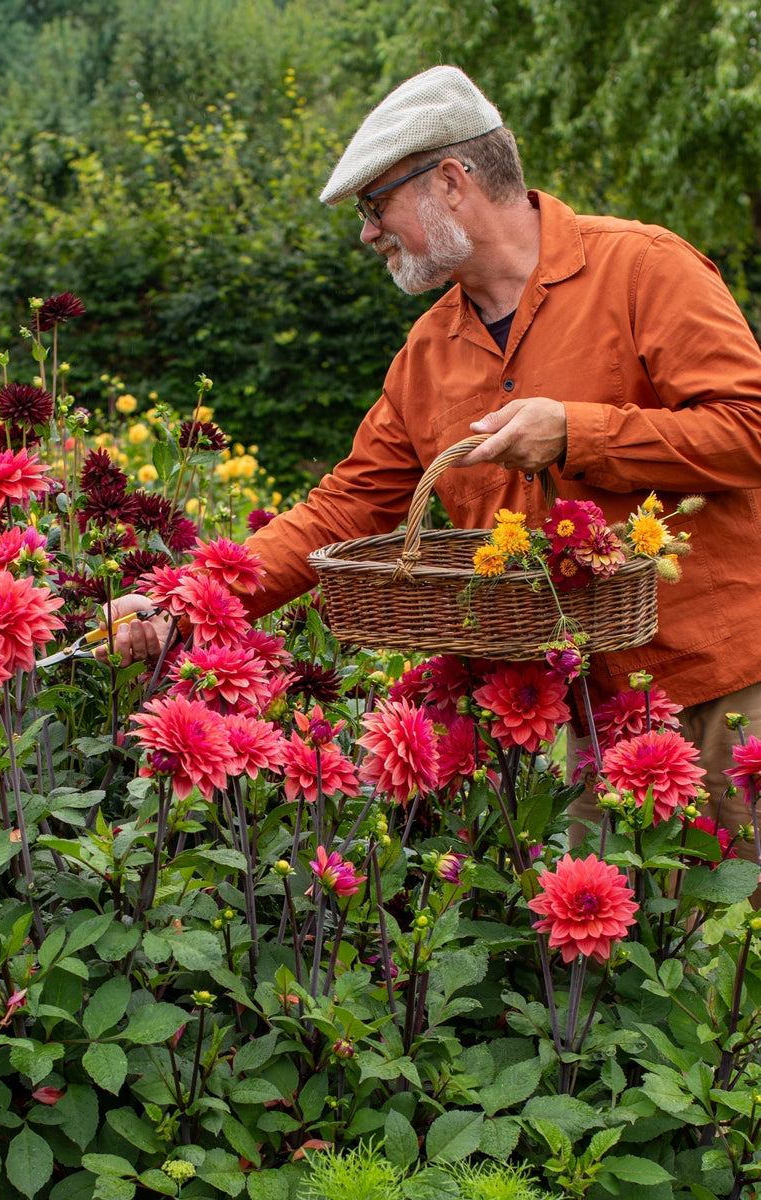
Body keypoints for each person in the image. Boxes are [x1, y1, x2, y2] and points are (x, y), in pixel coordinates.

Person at [111, 65, 761, 860]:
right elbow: (345, 506)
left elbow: (748, 428)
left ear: (450, 181)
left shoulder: (642, 268)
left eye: (374, 205)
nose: (367, 233)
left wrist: (578, 432)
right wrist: (184, 601)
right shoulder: (428, 352)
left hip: (724, 684)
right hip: (580, 713)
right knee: (621, 968)